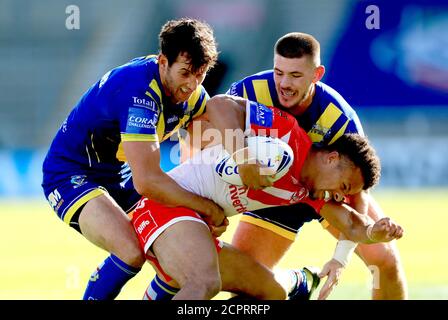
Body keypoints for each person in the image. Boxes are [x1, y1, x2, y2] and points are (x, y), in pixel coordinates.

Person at [132, 95, 403, 300]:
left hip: (197, 228)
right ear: (331, 159)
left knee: (271, 294)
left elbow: (351, 224)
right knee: (204, 282)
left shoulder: (307, 192)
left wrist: (372, 232)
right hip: (166, 208)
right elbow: (219, 105)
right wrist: (243, 158)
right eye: (344, 186)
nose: (340, 197)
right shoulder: (286, 135)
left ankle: (300, 281)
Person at [41, 18, 227, 300]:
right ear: (163, 62)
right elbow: (149, 181)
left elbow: (199, 151)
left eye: (200, 74)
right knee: (129, 251)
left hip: (120, 172)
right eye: (186, 72)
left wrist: (204, 203)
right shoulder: (138, 91)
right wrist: (207, 207)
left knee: (177, 257)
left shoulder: (194, 95)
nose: (192, 84)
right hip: (72, 173)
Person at [213, 32, 407, 299]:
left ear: (317, 74)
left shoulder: (340, 119)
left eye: (295, 76)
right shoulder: (249, 91)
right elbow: (207, 133)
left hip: (329, 196)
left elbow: (356, 194)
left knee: (384, 261)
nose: (284, 84)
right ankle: (298, 282)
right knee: (247, 290)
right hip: (275, 199)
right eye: (279, 72)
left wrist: (340, 258)